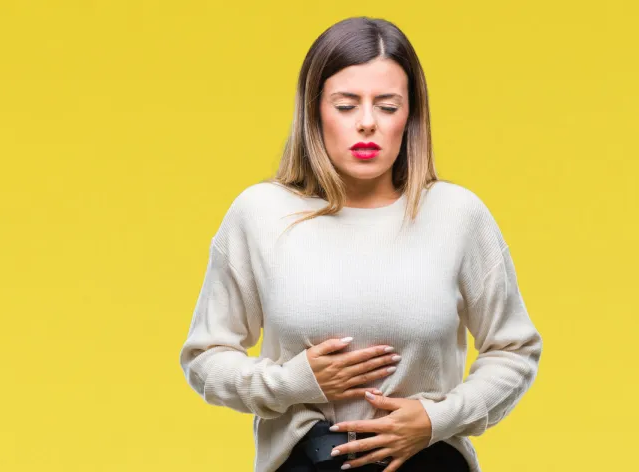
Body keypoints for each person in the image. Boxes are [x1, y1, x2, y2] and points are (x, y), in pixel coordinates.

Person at [179, 16, 542, 472]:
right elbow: (205, 358)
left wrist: (436, 418)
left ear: (411, 115)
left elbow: (515, 350)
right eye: (346, 105)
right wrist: (294, 382)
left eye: (387, 106)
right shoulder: (260, 213)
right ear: (315, 111)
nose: (367, 124)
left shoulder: (457, 214)